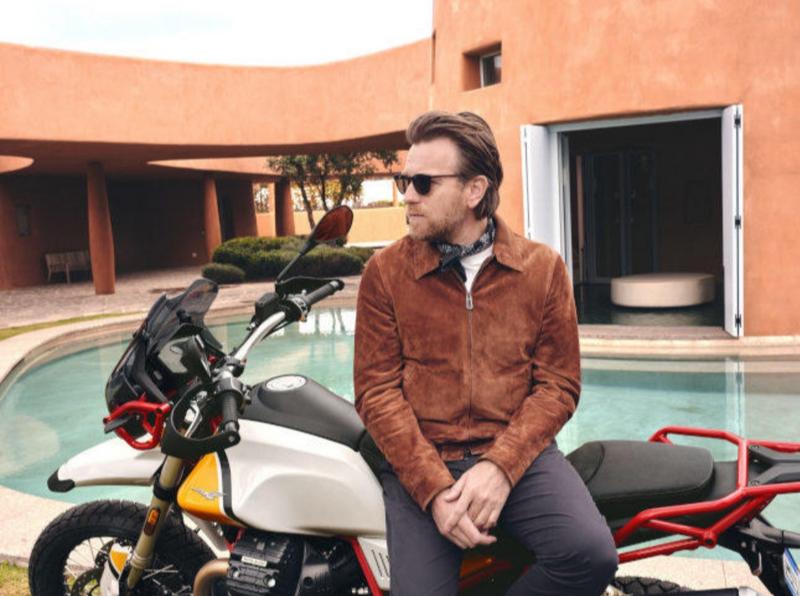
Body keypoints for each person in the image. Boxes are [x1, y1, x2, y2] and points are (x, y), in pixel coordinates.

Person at [353, 110, 618, 595]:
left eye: (423, 183)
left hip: (518, 456)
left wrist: (500, 467)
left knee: (590, 555)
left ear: (474, 190)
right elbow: (376, 392)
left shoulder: (542, 269)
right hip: (423, 458)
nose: (408, 195)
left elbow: (558, 385)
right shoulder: (385, 273)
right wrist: (434, 491)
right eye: (404, 181)